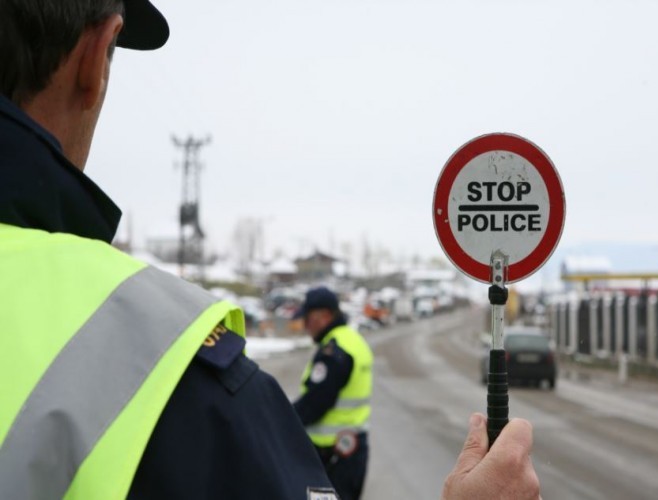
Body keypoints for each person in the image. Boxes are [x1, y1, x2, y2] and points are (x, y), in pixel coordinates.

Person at [0, 1, 541, 499]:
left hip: (344, 454)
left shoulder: (337, 348)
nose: (303, 324)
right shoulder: (163, 365)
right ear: (96, 57)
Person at [292, 287, 373, 500]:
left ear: (324, 316)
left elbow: (316, 402)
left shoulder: (335, 350)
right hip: (350, 449)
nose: (305, 326)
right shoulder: (352, 340)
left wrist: (283, 420)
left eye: (308, 319)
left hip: (333, 455)